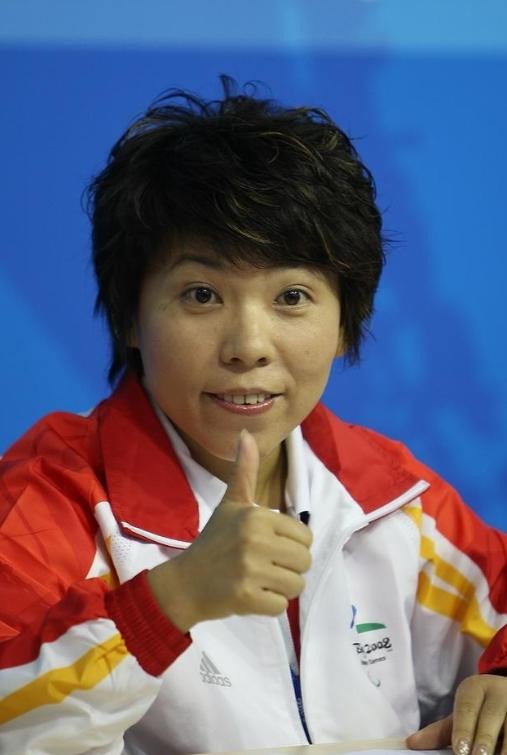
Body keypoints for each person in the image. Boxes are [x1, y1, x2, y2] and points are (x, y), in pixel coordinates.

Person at [0, 76, 505, 755]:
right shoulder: (53, 496)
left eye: (291, 296)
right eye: (201, 294)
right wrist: (170, 602)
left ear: (345, 326)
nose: (248, 346)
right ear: (129, 319)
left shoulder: (387, 496)